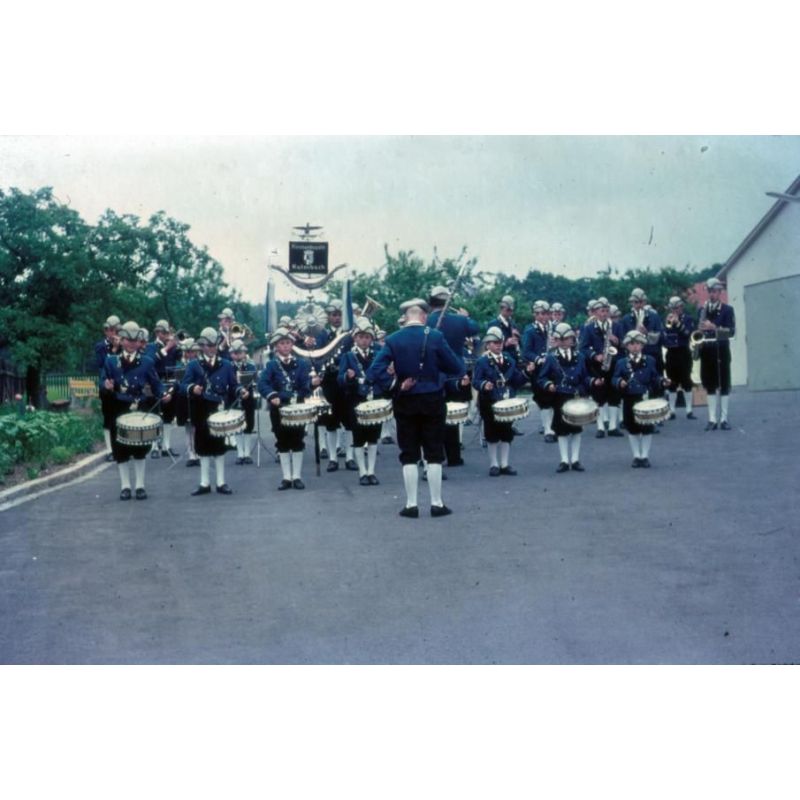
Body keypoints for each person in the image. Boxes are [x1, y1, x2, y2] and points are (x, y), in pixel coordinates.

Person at [367, 298, 465, 518]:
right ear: (424, 316)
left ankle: (411, 505)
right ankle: (437, 503)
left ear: (406, 317)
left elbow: (374, 371)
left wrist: (395, 384)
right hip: (432, 399)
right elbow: (456, 367)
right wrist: (436, 367)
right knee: (434, 452)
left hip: (405, 400)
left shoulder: (393, 339)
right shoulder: (436, 336)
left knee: (409, 453)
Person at [100, 321, 172, 500]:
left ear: (139, 342)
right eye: (128, 340)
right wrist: (106, 386)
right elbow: (102, 382)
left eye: (135, 341)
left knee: (140, 448)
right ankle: (125, 486)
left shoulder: (147, 362)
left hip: (140, 407)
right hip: (119, 408)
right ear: (122, 340)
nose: (131, 344)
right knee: (120, 449)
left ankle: (140, 485)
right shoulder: (111, 361)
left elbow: (156, 384)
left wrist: (163, 393)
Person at [181, 327, 245, 495]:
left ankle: (221, 482)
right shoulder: (194, 365)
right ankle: (204, 483)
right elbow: (182, 385)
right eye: (208, 345)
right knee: (202, 446)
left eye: (214, 345)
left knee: (219, 445)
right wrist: (192, 388)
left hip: (218, 408)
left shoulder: (226, 364)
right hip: (201, 407)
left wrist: (240, 391)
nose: (211, 348)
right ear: (202, 346)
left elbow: (233, 385)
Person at [537, 323, 601, 473]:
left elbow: (585, 377)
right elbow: (542, 378)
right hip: (560, 396)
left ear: (572, 339)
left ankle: (576, 460)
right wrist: (548, 385)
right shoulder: (551, 358)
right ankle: (564, 460)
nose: (564, 342)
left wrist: (593, 381)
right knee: (562, 430)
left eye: (567, 339)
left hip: (576, 396)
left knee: (577, 429)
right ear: (556, 340)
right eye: (560, 339)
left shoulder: (581, 357)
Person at [258, 328, 316, 490]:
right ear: (276, 346)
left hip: (298, 408)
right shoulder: (271, 365)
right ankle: (286, 477)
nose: (285, 346)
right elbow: (262, 384)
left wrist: (312, 384)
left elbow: (305, 387)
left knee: (297, 440)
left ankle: (296, 476)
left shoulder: (302, 364)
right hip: (279, 408)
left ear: (292, 345)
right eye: (282, 343)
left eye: (288, 343)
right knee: (282, 441)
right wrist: (272, 395)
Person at [427, 284, 479, 466]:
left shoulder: (426, 321)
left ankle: (438, 455)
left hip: (433, 374)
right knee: (453, 415)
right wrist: (466, 317)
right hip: (455, 373)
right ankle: (454, 456)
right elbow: (475, 328)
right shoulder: (460, 320)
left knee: (435, 417)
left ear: (431, 302)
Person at [472, 326, 528, 476]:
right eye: (495, 343)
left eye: (500, 342)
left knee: (506, 432)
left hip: (507, 400)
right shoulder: (482, 361)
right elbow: (476, 381)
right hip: (489, 400)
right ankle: (494, 464)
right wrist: (484, 385)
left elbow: (516, 380)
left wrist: (527, 373)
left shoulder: (509, 360)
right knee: (492, 433)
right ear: (488, 344)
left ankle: (505, 464)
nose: (498, 345)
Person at [613, 331, 671, 467]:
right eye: (631, 344)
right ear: (627, 346)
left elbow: (655, 377)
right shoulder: (621, 362)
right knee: (632, 428)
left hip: (645, 398)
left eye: (638, 343)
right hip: (629, 398)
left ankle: (644, 456)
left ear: (643, 345)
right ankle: (636, 456)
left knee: (647, 428)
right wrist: (620, 382)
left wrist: (662, 381)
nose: (635, 346)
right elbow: (614, 378)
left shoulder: (650, 360)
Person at [338, 317, 382, 485]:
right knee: (358, 436)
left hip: (374, 399)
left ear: (371, 339)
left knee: (373, 437)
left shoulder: (377, 355)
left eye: (367, 337)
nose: (364, 340)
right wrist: (348, 377)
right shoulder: (348, 356)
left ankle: (372, 471)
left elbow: (382, 376)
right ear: (355, 338)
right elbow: (340, 380)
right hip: (355, 400)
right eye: (361, 337)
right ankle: (362, 472)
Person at [317, 299, 356, 470]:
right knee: (330, 422)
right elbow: (317, 356)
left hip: (347, 382)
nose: (337, 318)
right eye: (334, 315)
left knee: (349, 422)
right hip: (329, 382)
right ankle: (333, 458)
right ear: (328, 317)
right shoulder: (322, 335)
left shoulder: (350, 334)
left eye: (340, 315)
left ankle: (349, 457)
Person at [578, 298, 623, 438]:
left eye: (606, 311)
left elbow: (625, 345)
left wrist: (617, 341)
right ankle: (600, 427)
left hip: (614, 365)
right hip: (597, 366)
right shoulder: (589, 328)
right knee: (599, 396)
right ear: (595, 313)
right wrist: (595, 356)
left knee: (614, 395)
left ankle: (613, 426)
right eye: (601, 311)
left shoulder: (616, 326)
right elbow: (583, 348)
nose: (604, 314)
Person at [697, 278, 736, 431]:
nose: (711, 294)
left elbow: (731, 332)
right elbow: (698, 331)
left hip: (721, 350)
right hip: (707, 351)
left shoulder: (727, 310)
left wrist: (713, 327)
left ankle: (724, 419)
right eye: (710, 291)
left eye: (714, 291)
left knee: (724, 385)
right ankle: (712, 419)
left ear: (720, 292)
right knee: (710, 385)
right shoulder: (702, 310)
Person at [145, 320, 181, 458]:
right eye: (162, 332)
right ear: (157, 333)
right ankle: (154, 446)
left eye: (166, 332)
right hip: (155, 382)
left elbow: (180, 358)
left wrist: (178, 345)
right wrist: (167, 347)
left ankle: (166, 446)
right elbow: (150, 361)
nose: (165, 335)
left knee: (168, 416)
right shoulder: (151, 346)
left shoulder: (172, 347)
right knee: (155, 415)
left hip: (170, 382)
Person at [522, 300, 557, 442]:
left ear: (549, 314)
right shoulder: (530, 330)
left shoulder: (554, 328)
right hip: (540, 369)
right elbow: (526, 352)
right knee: (544, 399)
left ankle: (553, 426)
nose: (541, 316)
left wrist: (556, 344)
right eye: (537, 314)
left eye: (544, 313)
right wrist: (538, 359)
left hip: (554, 368)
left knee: (555, 397)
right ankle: (547, 429)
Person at [662, 296, 697, 420]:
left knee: (686, 380)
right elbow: (665, 335)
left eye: (676, 308)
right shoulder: (668, 319)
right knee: (672, 382)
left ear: (681, 307)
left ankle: (689, 410)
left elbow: (688, 334)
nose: (674, 311)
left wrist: (678, 323)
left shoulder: (688, 319)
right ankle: (672, 411)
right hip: (671, 352)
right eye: (672, 308)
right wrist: (668, 324)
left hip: (683, 352)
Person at [94, 314, 122, 461]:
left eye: (116, 331)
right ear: (106, 331)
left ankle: (121, 447)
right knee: (108, 417)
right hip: (105, 386)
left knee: (121, 416)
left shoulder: (123, 345)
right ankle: (109, 450)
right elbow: (102, 365)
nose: (113, 333)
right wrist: (114, 349)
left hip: (119, 386)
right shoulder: (101, 346)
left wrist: (120, 347)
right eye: (110, 330)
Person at [230, 340, 259, 464]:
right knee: (236, 426)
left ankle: (247, 453)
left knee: (248, 425)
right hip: (233, 398)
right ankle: (239, 453)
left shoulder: (250, 366)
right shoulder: (228, 367)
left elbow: (255, 381)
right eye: (235, 353)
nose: (237, 355)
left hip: (248, 399)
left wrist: (249, 390)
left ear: (244, 352)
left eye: (240, 352)